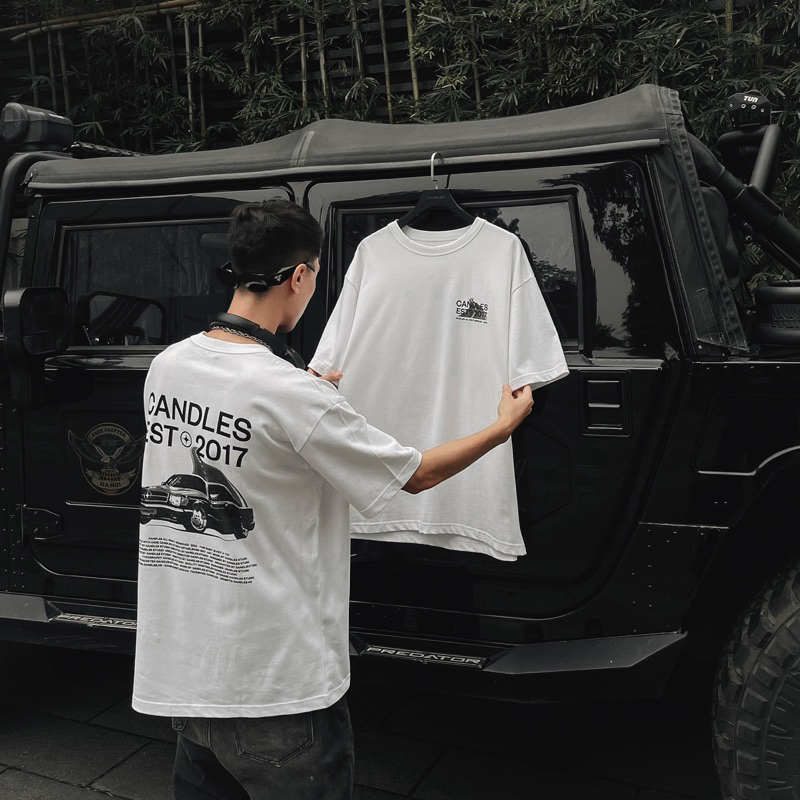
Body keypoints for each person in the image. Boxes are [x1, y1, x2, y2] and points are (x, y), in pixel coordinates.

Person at [132, 200, 533, 800]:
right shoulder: (293, 394)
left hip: (190, 679)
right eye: (316, 276)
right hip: (279, 689)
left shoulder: (169, 366)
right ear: (299, 275)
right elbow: (416, 475)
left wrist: (308, 396)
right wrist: (501, 427)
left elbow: (249, 439)